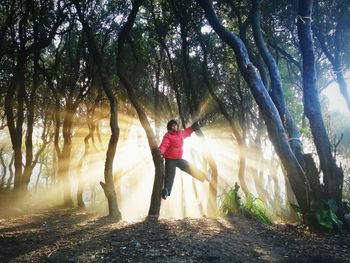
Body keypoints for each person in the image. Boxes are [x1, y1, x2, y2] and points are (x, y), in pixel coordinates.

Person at [159, 119, 211, 200]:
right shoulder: (168, 136)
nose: (175, 127)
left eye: (175, 125)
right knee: (170, 175)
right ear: (170, 128)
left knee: (189, 167)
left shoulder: (180, 133)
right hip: (170, 159)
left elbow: (186, 132)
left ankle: (204, 177)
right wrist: (160, 152)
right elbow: (164, 145)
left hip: (178, 159)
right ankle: (166, 192)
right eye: (173, 126)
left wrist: (193, 128)